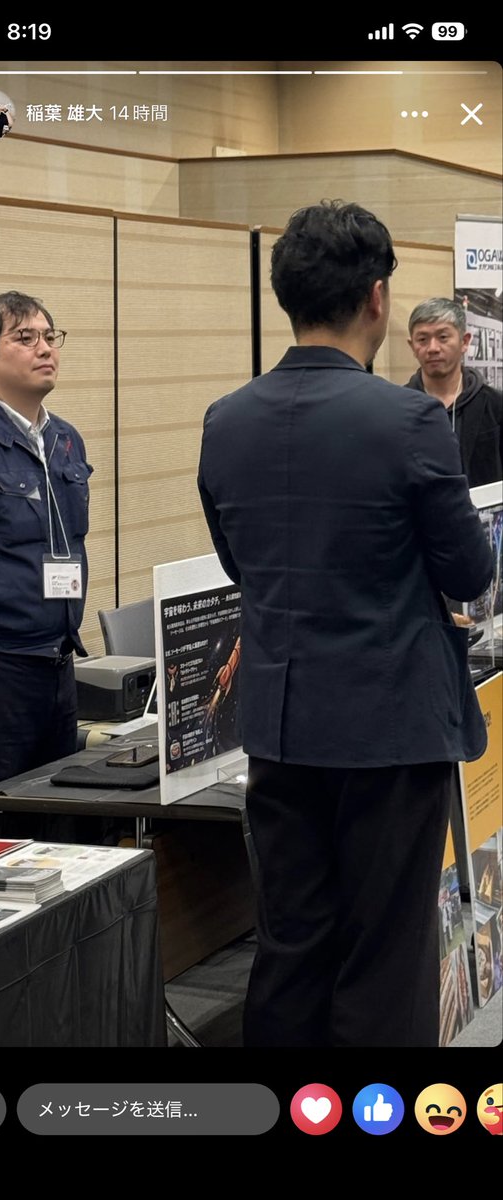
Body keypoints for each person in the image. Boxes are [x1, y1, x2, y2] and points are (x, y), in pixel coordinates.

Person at [197, 200, 493, 1048]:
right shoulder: (408, 421)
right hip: (391, 728)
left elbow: (237, 565)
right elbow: (469, 572)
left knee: (289, 944)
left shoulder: (228, 418)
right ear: (376, 298)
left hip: (281, 725)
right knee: (383, 954)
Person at [0, 291, 92, 834]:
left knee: (55, 826)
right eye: (25, 338)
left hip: (56, 664)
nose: (44, 349)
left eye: (50, 337)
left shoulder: (66, 441)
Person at [406, 297, 503, 487]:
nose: (433, 348)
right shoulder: (398, 406)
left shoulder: (495, 404)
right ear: (412, 347)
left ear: (464, 342)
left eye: (443, 337)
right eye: (422, 339)